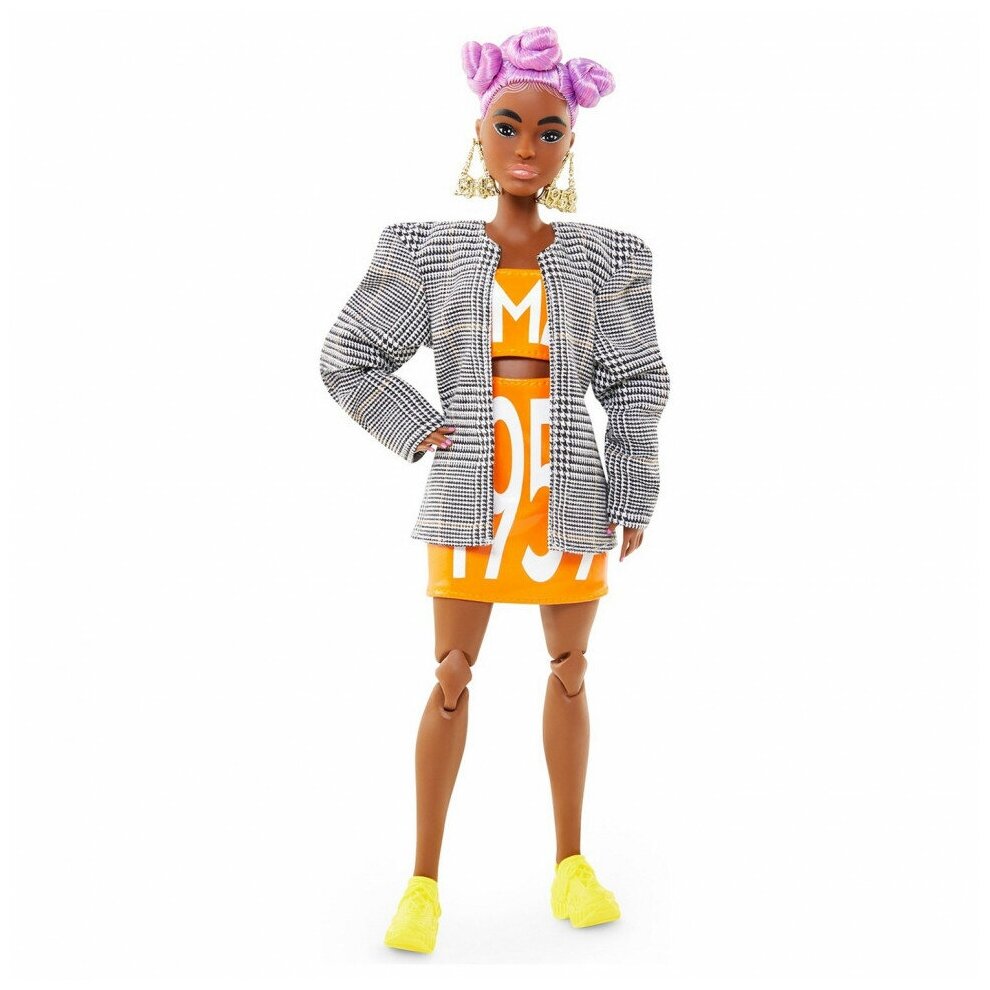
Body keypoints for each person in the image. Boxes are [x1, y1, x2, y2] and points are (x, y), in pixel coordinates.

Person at [319, 25, 671, 954]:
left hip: (569, 493)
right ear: (478, 132)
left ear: (570, 143)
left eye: (549, 132)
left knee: (570, 673)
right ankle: (422, 883)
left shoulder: (605, 258)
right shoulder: (429, 251)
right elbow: (348, 355)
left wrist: (633, 487)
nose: (527, 148)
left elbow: (638, 378)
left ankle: (571, 865)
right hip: (473, 492)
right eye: (509, 126)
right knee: (449, 676)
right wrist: (416, 425)